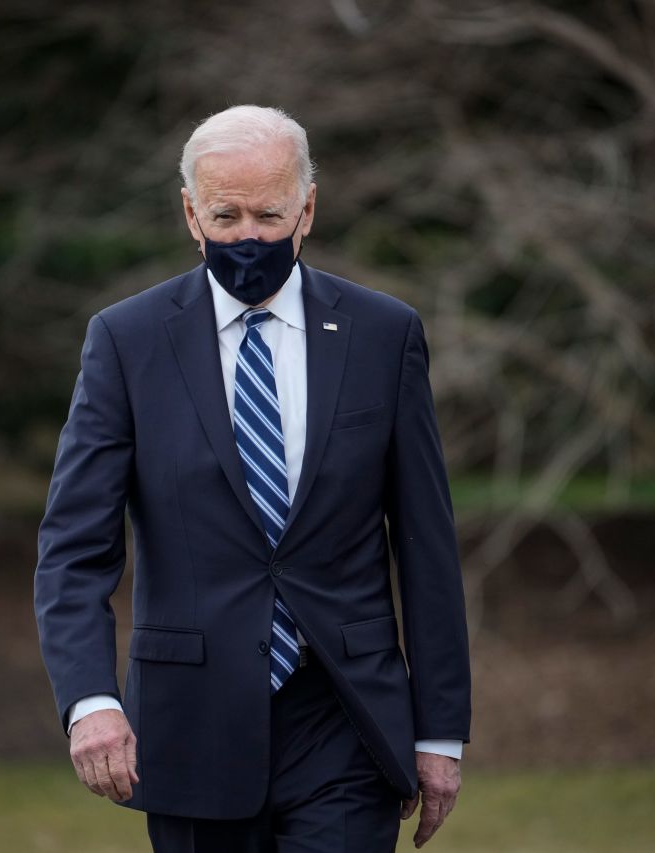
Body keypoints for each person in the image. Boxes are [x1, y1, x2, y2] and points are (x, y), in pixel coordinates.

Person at [35, 105, 471, 852]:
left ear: (308, 208)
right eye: (224, 213)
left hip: (346, 718)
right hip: (190, 721)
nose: (246, 236)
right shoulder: (127, 341)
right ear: (189, 212)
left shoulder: (383, 334)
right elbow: (74, 548)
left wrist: (441, 732)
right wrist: (90, 698)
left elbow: (427, 546)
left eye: (268, 214)